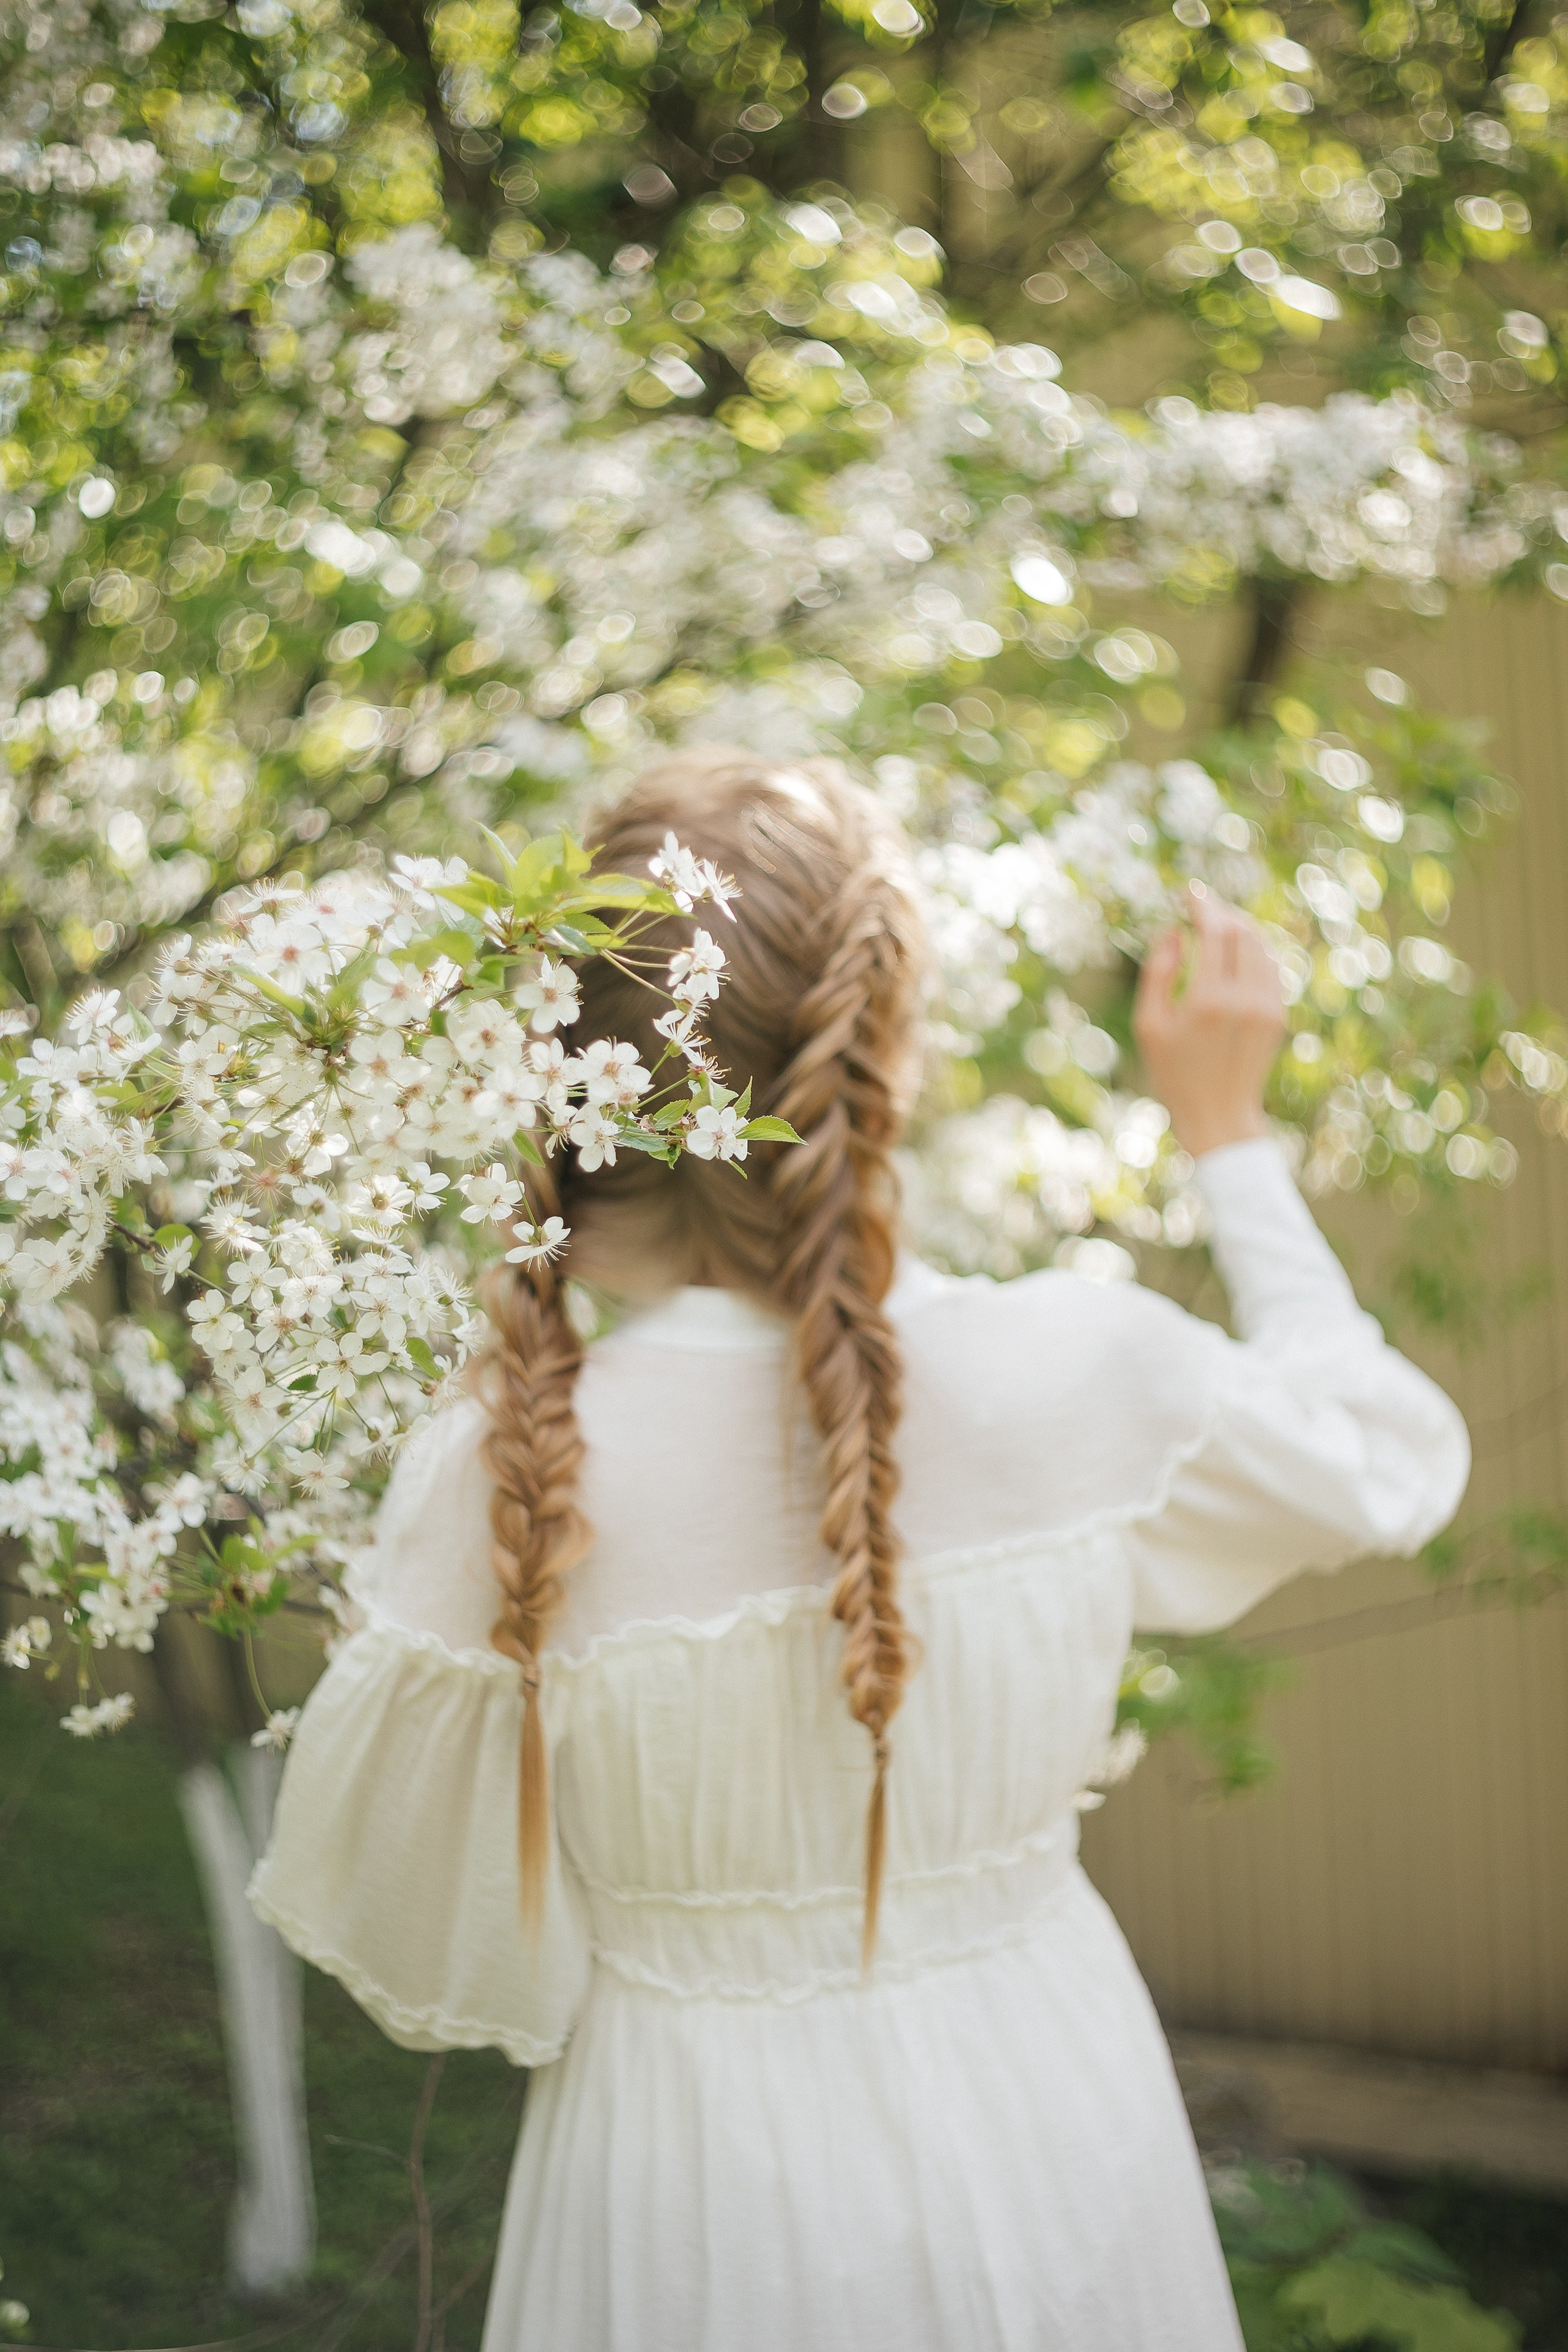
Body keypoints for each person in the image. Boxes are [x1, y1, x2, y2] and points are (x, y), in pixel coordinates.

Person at [251, 748, 1470, 2351]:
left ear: (566, 1066)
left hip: (691, 2178)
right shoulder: (1081, 1369)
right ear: (882, 1055)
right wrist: (1228, 1137)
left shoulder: (505, 1471)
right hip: (1059, 2112)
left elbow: (432, 1941)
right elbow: (1385, 1459)